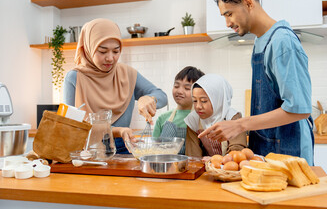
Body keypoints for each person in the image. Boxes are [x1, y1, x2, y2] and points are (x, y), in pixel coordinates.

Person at [199, 0, 314, 165]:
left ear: (248, 3)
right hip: (266, 146)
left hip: (289, 150)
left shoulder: (282, 42)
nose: (227, 23)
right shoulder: (261, 41)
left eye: (229, 14)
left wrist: (239, 124)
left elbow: (299, 109)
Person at [63, 18, 168, 154]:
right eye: (102, 51)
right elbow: (70, 126)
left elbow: (162, 96)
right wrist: (117, 131)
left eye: (116, 51)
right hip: (87, 149)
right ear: (88, 48)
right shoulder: (74, 78)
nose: (110, 58)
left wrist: (149, 99)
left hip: (123, 146)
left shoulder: (128, 74)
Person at [184, 74, 247, 157]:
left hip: (228, 168)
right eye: (195, 100)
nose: (198, 106)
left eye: (203, 101)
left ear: (218, 100)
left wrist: (216, 162)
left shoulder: (233, 117)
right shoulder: (193, 120)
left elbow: (237, 152)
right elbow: (192, 156)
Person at [152, 66, 205, 154]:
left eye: (187, 88)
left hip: (193, 166)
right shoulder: (163, 118)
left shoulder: (202, 119)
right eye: (176, 86)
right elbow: (153, 149)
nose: (179, 91)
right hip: (166, 166)